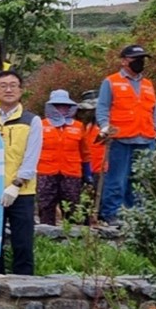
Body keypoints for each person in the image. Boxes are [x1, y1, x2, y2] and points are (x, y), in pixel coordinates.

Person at [0, 70, 42, 276]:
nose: (8, 89)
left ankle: (24, 283)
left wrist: (16, 184)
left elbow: (31, 157)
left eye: (13, 85)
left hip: (21, 191)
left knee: (22, 242)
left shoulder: (31, 120)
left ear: (21, 90)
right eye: (3, 86)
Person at [96, 45, 156, 225]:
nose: (140, 62)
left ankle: (139, 215)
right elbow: (102, 108)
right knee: (117, 179)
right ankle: (112, 213)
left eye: (142, 59)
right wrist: (104, 127)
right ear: (124, 61)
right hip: (120, 139)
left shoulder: (148, 84)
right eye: (136, 58)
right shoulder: (111, 82)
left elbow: (153, 109)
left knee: (142, 180)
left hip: (146, 138)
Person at [37, 89, 90, 226]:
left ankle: (72, 236)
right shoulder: (40, 125)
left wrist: (87, 174)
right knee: (45, 206)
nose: (62, 108)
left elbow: (85, 153)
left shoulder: (78, 126)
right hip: (45, 173)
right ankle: (46, 235)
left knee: (72, 207)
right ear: (51, 107)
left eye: (65, 105)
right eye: (58, 105)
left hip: (71, 173)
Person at [76, 90, 105, 223]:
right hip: (83, 166)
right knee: (84, 198)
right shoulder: (80, 125)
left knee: (99, 196)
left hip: (101, 167)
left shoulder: (104, 126)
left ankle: (98, 219)